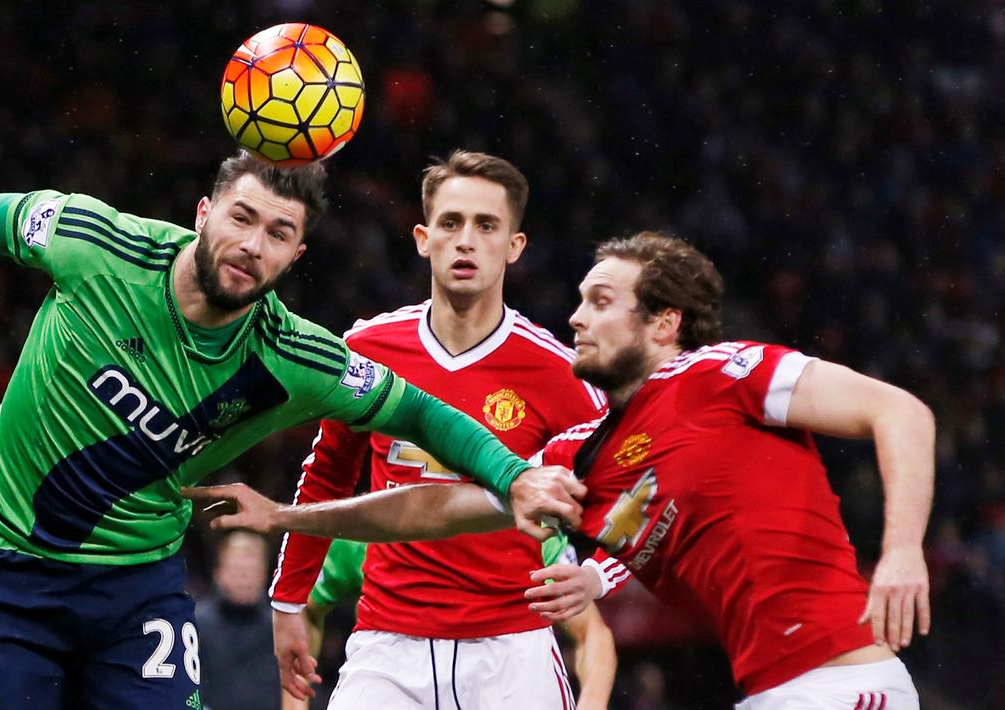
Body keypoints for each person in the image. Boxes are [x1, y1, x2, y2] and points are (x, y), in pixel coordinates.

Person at [0, 152, 584, 710]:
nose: (251, 245)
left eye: (277, 235)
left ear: (295, 256)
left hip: (138, 587)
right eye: (242, 218)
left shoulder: (298, 356)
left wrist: (513, 477)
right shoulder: (96, 245)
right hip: (11, 572)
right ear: (204, 211)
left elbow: (420, 412)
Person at [184, 232, 935, 710]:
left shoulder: (726, 371)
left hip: (841, 682)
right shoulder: (584, 455)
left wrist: (900, 549)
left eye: (600, 301)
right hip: (767, 689)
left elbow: (900, 413)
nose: (575, 316)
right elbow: (431, 511)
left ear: (663, 322)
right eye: (577, 300)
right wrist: (286, 516)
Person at [269, 151, 611, 709]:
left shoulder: (558, 372)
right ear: (424, 238)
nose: (466, 241)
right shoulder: (368, 349)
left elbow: (629, 486)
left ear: (514, 246)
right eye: (451, 223)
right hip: (386, 647)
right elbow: (326, 476)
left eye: (486, 225)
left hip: (512, 648)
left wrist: (598, 572)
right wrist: (288, 601)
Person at [280, 537, 619, 710]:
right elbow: (305, 609)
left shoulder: (526, 535)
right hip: (394, 668)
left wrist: (591, 703)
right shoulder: (364, 533)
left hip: (504, 674)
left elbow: (592, 633)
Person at [194, 532, 278, 710]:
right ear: (219, 572)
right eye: (238, 570)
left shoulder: (280, 627)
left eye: (251, 570)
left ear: (265, 573)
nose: (244, 579)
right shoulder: (196, 624)